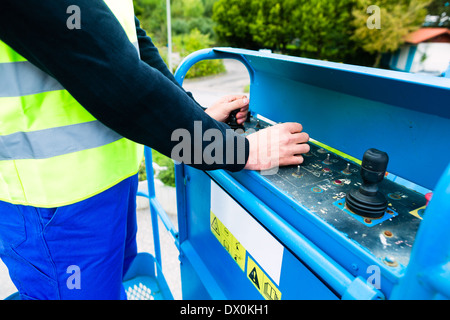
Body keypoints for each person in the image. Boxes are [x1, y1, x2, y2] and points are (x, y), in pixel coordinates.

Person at [0, 0, 310, 299]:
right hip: (53, 205)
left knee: (112, 285)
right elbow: (108, 71)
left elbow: (133, 48)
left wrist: (197, 115)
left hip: (107, 186)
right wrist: (235, 149)